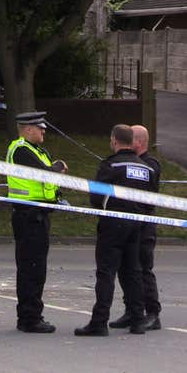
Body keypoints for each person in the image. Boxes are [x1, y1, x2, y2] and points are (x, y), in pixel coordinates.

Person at [75, 124, 156, 336]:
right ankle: (138, 320)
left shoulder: (110, 165)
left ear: (114, 140)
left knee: (106, 273)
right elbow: (151, 201)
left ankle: (99, 322)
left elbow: (96, 197)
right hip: (136, 224)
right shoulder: (147, 169)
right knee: (133, 273)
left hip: (113, 224)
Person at [5, 111, 68, 333]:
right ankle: (29, 318)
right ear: (28, 129)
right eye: (40, 128)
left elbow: (47, 181)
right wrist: (58, 167)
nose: (43, 131)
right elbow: (45, 174)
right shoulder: (21, 149)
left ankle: (32, 314)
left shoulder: (36, 150)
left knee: (36, 267)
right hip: (28, 216)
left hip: (38, 215)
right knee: (31, 267)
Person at [109, 124, 162, 331]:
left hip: (144, 226)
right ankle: (132, 310)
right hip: (128, 225)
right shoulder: (130, 163)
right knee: (127, 269)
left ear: (138, 142)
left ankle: (152, 313)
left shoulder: (150, 164)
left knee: (143, 269)